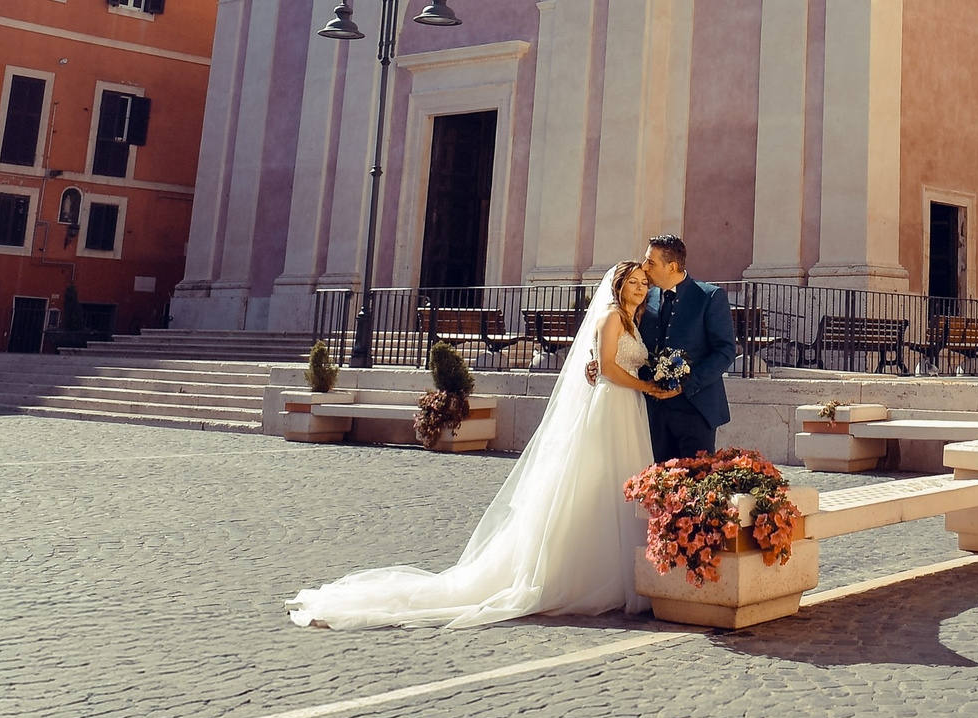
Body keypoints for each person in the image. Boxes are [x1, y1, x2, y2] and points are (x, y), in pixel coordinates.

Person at [286, 260, 676, 629]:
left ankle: (617, 572)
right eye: (634, 282)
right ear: (617, 285)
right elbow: (607, 368)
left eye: (645, 283)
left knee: (613, 485)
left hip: (626, 407)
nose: (641, 288)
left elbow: (605, 364)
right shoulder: (610, 316)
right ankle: (587, 575)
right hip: (613, 406)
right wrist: (647, 386)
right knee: (597, 482)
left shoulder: (632, 320)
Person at [622, 235, 736, 462]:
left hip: (696, 409)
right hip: (652, 410)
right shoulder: (645, 297)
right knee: (657, 483)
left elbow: (725, 350)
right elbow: (626, 337)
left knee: (695, 483)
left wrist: (686, 385)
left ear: (671, 266)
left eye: (650, 262)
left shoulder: (709, 296)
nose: (644, 268)